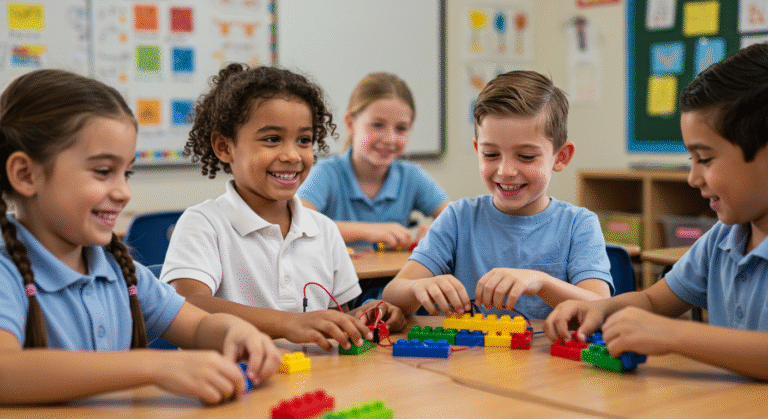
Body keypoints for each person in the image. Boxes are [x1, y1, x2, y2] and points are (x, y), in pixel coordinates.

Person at [0, 69, 281, 405]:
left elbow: (197, 327)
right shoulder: (7, 272)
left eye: (127, 172)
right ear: (25, 174)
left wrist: (237, 332)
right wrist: (153, 365)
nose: (123, 192)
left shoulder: (119, 270)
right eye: (103, 171)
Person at [544, 43, 768, 380]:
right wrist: (599, 309)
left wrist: (671, 334)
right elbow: (652, 302)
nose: (693, 178)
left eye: (705, 159)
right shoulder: (723, 239)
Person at [161, 64, 406, 352]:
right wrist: (289, 323)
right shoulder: (204, 223)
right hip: (235, 385)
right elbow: (187, 304)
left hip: (312, 386)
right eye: (272, 139)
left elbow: (336, 315)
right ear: (224, 146)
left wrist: (371, 315)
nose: (292, 155)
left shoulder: (323, 229)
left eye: (304, 140)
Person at [382, 70, 612, 318]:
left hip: (546, 357)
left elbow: (600, 306)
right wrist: (419, 285)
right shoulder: (458, 218)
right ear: (477, 149)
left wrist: (542, 283)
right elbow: (392, 293)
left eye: (526, 156)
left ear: (561, 157)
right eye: (490, 154)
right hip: (469, 357)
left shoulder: (578, 224)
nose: (506, 171)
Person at [297, 72, 449, 250]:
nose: (390, 139)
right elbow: (297, 220)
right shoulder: (327, 173)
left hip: (392, 277)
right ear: (350, 124)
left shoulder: (411, 176)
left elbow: (457, 220)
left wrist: (436, 234)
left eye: (401, 128)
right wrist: (369, 231)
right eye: (377, 125)